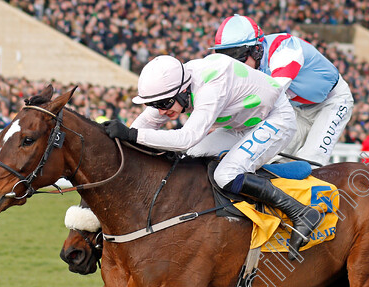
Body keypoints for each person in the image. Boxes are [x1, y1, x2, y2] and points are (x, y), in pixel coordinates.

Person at [102, 54, 321, 258]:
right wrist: (122, 139)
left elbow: (187, 137)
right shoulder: (175, 87)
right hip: (241, 123)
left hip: (275, 118)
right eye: (154, 104)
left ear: (182, 90)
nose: (160, 111)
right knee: (191, 156)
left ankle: (300, 212)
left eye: (164, 104)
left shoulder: (210, 88)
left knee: (226, 174)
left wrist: (131, 134)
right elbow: (145, 124)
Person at [211, 14, 354, 166]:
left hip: (332, 102)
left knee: (311, 160)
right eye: (226, 56)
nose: (233, 65)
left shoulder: (286, 50)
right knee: (272, 160)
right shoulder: (251, 63)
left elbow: (269, 95)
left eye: (237, 56)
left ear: (257, 50)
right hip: (295, 107)